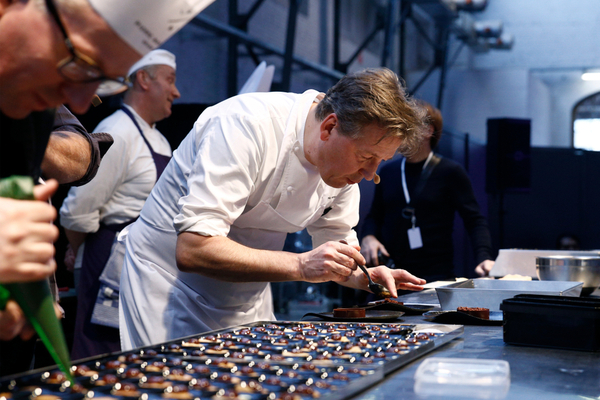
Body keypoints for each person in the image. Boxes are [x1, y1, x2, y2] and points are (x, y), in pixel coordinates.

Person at [119, 67, 428, 349]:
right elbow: (193, 249)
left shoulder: (343, 166)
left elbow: (336, 242)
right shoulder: (244, 126)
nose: (369, 175)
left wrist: (362, 276)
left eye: (380, 161)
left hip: (246, 298)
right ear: (329, 127)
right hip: (171, 289)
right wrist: (302, 265)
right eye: (365, 157)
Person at [0, 0, 214, 342]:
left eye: (105, 81)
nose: (80, 103)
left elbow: (84, 154)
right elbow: (77, 211)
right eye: (81, 63)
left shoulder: (33, 99)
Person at [60, 49, 180, 359]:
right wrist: (80, 251)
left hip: (145, 265)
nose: (176, 92)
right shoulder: (117, 131)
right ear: (143, 79)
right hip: (107, 263)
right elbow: (77, 210)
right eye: (170, 80)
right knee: (102, 358)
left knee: (138, 356)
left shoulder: (159, 140)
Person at [360, 100, 495, 282]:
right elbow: (374, 216)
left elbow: (474, 220)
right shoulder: (388, 171)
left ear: (428, 130)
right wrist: (368, 237)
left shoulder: (450, 171)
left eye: (407, 126)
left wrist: (484, 257)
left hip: (435, 277)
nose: (400, 132)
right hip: (391, 273)